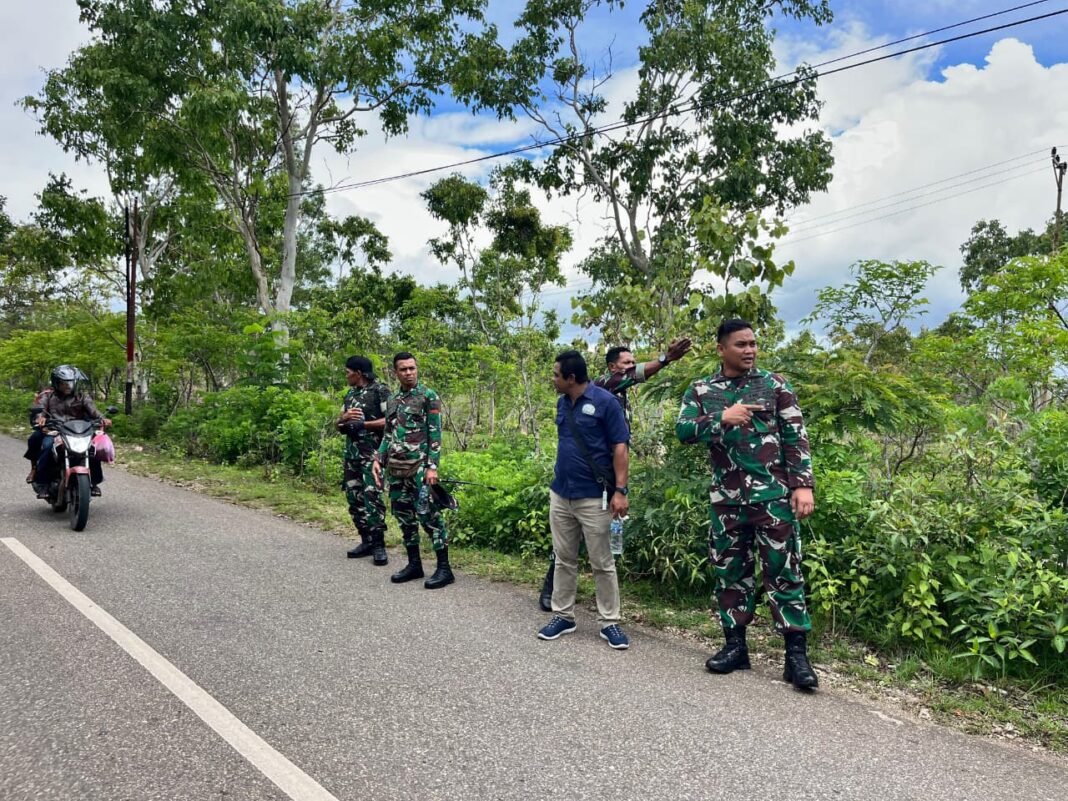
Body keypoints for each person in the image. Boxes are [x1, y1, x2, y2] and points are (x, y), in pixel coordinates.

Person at [675, 319, 818, 690]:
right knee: (730, 573)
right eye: (741, 344)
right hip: (726, 501)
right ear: (721, 348)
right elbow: (683, 431)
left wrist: (802, 486)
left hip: (773, 497)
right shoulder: (703, 389)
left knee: (784, 572)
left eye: (753, 343)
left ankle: (796, 658)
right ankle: (735, 648)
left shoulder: (774, 385)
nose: (750, 350)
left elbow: (795, 436)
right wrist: (721, 417)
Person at [537, 337, 692, 611]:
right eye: (626, 364)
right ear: (612, 368)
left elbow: (620, 446)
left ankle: (606, 614)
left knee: (597, 553)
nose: (631, 368)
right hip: (576, 486)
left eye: (633, 362)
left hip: (601, 483)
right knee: (566, 551)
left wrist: (620, 486)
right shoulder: (606, 384)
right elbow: (637, 376)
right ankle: (553, 595)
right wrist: (666, 359)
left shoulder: (610, 398)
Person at [537, 350, 631, 650]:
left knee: (602, 562)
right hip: (561, 493)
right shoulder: (562, 403)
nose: (553, 379)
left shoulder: (605, 402)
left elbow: (620, 448)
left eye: (556, 375)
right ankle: (563, 615)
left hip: (595, 497)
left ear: (571, 378)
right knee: (563, 559)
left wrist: (620, 491)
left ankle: (610, 622)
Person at [372, 352, 453, 589]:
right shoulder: (393, 400)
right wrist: (378, 458)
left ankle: (444, 568)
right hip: (396, 468)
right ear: (395, 372)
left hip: (420, 468)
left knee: (429, 516)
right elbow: (388, 434)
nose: (409, 373)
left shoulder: (428, 397)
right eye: (403, 369)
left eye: (412, 368)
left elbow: (435, 434)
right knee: (403, 515)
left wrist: (432, 467)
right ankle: (414, 564)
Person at [338, 356, 391, 565]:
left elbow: (392, 420)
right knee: (354, 499)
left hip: (373, 455)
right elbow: (339, 424)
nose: (346, 375)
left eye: (348, 371)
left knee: (373, 499)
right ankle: (365, 540)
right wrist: (343, 420)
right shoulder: (350, 395)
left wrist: (364, 425)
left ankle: (379, 545)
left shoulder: (380, 391)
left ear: (358, 373)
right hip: (352, 455)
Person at [35, 365, 110, 498]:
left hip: (79, 432)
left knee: (92, 450)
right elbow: (40, 409)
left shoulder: (82, 397)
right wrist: (40, 417)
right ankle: (43, 484)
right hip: (56, 431)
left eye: (70, 382)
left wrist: (102, 419)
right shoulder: (49, 396)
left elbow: (93, 411)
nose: (68, 386)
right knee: (47, 447)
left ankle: (94, 483)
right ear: (56, 383)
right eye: (64, 383)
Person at [24, 384, 54, 483]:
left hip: (69, 431)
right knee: (34, 439)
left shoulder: (75, 397)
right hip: (47, 429)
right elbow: (36, 414)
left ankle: (92, 481)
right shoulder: (45, 396)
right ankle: (34, 469)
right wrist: (40, 421)